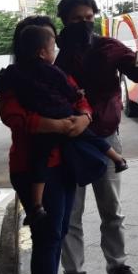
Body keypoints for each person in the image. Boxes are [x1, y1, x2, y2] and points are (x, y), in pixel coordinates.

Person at [55, 0, 138, 274]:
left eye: (89, 18)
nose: (84, 23)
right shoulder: (54, 51)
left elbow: (136, 68)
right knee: (70, 213)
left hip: (105, 136)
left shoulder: (108, 46)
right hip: (68, 140)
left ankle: (117, 266)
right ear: (64, 20)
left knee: (111, 210)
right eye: (77, 19)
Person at [0, 16, 91, 274]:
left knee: (58, 231)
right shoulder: (14, 77)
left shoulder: (57, 74)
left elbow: (81, 99)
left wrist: (84, 118)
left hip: (66, 164)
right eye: (47, 41)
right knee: (47, 237)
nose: (53, 46)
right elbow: (13, 116)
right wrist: (58, 125)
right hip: (32, 167)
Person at [11, 24, 129, 223]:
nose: (54, 52)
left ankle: (36, 205)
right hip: (66, 119)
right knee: (93, 140)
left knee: (41, 162)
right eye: (51, 49)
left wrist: (84, 115)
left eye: (88, 18)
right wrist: (76, 98)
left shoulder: (17, 74)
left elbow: (2, 86)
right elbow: (68, 89)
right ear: (42, 52)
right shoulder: (55, 70)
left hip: (53, 130)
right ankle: (118, 159)